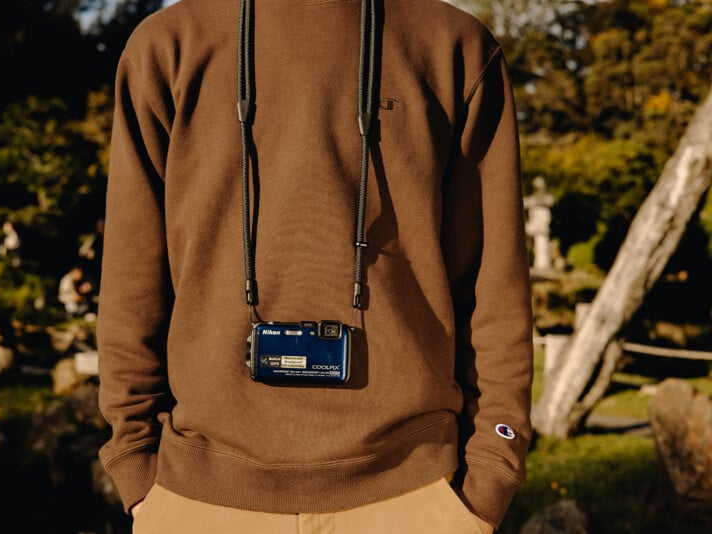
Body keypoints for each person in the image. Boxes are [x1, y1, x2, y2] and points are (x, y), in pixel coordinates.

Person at [97, 1, 534, 533]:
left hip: (414, 496)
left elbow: (493, 282)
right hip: (200, 498)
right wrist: (135, 464)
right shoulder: (167, 46)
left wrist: (491, 472)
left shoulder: (452, 46)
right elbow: (130, 278)